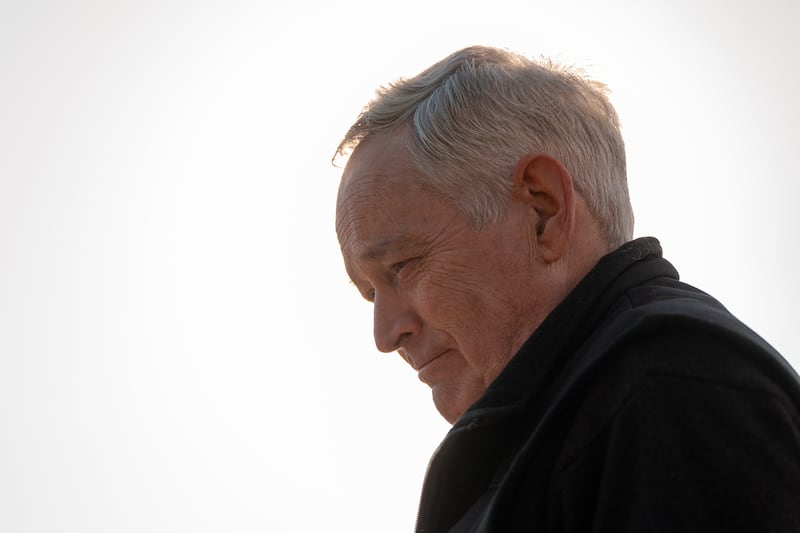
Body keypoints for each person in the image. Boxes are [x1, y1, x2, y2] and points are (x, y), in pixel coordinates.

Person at [333, 45, 800, 532]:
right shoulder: (586, 414)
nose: (386, 335)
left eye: (401, 266)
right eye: (370, 293)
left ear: (543, 210)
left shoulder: (670, 384)